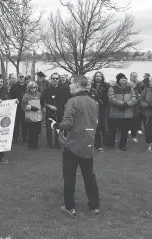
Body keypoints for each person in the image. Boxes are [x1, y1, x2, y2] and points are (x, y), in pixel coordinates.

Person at [51, 75, 100, 217]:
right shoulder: (93, 102)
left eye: (71, 83)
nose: (69, 86)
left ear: (78, 84)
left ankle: (69, 206)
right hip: (88, 144)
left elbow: (67, 124)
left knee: (69, 176)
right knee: (89, 176)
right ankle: (94, 205)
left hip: (73, 144)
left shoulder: (72, 101)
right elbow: (96, 122)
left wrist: (55, 125)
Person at [107, 73, 137, 151]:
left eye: (124, 78)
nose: (123, 80)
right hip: (115, 113)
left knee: (125, 130)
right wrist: (122, 104)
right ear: (118, 80)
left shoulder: (130, 88)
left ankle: (123, 145)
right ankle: (111, 143)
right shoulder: (112, 88)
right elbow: (112, 99)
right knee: (113, 130)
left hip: (127, 113)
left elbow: (134, 98)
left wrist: (128, 104)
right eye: (121, 78)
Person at [40, 72, 69, 149]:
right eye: (53, 78)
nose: (55, 80)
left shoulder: (63, 90)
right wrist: (49, 106)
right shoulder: (46, 90)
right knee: (49, 128)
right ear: (51, 79)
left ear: (58, 79)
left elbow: (67, 101)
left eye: (56, 78)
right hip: (50, 111)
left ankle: (57, 142)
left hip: (60, 111)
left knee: (59, 128)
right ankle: (49, 143)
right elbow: (42, 101)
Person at [91, 71, 110, 152]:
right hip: (93, 107)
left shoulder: (106, 86)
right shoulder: (91, 86)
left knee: (103, 124)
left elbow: (108, 97)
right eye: (96, 76)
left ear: (102, 77)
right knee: (95, 124)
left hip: (103, 107)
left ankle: (106, 141)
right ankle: (95, 142)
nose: (98, 77)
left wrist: (101, 102)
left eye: (99, 76)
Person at [22, 81, 42, 150]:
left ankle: (35, 144)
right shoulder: (26, 95)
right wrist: (28, 107)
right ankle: (31, 145)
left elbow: (42, 103)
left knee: (37, 130)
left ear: (36, 87)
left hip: (37, 115)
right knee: (31, 131)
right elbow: (23, 105)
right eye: (31, 87)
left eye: (35, 87)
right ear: (29, 88)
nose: (33, 89)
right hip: (30, 114)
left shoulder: (39, 94)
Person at [9, 74, 28, 143]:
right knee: (16, 124)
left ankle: (24, 138)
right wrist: (14, 100)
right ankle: (15, 138)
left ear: (24, 78)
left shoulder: (27, 86)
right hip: (16, 108)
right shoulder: (13, 86)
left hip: (25, 108)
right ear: (18, 77)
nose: (21, 78)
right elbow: (10, 97)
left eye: (22, 77)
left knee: (24, 124)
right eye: (20, 77)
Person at [129, 72, 146, 141]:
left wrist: (140, 97)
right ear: (130, 77)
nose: (134, 78)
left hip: (138, 103)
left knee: (137, 117)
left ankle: (137, 130)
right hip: (129, 103)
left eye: (136, 76)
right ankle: (129, 129)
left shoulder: (140, 84)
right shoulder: (128, 84)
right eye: (133, 76)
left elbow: (144, 92)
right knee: (129, 117)